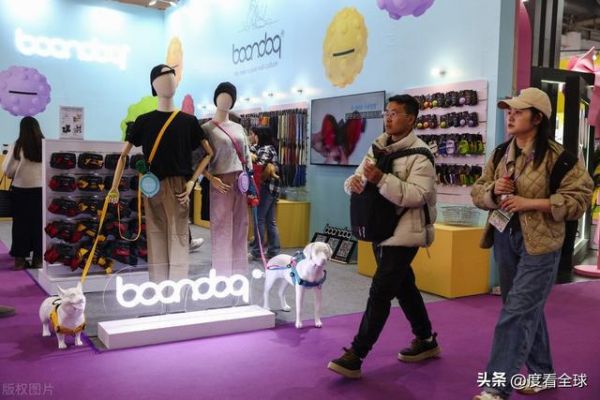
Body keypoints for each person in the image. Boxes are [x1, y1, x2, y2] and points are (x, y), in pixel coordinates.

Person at [471, 87, 592, 400]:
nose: (510, 116)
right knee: (524, 310)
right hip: (504, 237)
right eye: (509, 111)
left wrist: (532, 203)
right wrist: (494, 191)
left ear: (538, 118)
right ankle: (543, 374)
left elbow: (580, 200)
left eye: (518, 111)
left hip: (541, 243)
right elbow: (478, 192)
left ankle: (496, 388)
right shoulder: (500, 154)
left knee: (517, 312)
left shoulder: (561, 159)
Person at [328, 94, 440, 379]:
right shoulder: (377, 147)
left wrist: (381, 179)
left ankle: (356, 354)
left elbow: (418, 195)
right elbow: (357, 177)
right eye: (386, 112)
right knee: (404, 286)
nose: (388, 118)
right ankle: (426, 339)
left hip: (405, 232)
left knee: (380, 291)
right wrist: (353, 183)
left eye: (395, 113)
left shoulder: (421, 155)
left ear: (411, 119)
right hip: (379, 227)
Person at [108, 64, 213, 283]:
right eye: (164, 77)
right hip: (152, 185)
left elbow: (208, 153)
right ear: (154, 85)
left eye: (172, 76)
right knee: (155, 237)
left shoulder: (188, 121)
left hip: (179, 186)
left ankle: (176, 287)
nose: (170, 81)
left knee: (179, 238)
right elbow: (123, 156)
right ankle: (159, 286)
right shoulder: (143, 121)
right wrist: (114, 187)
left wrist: (192, 182)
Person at [201, 82, 253, 276]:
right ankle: (222, 274)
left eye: (230, 97)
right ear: (215, 98)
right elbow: (197, 160)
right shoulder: (206, 129)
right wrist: (210, 178)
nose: (226, 100)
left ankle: (239, 273)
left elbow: (246, 155)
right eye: (222, 96)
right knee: (222, 227)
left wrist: (249, 179)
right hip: (220, 180)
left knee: (241, 225)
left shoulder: (239, 127)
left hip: (240, 180)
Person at [2, 116, 44, 270]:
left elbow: (8, 170)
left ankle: (20, 260)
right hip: (41, 191)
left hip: (21, 191)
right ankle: (38, 259)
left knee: (20, 225)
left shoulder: (17, 145)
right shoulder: (45, 144)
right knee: (39, 225)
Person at [249, 126, 281, 260]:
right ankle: (273, 250)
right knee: (270, 221)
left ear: (259, 135)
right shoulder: (265, 148)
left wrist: (251, 157)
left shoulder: (266, 149)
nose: (251, 136)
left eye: (253, 134)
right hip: (271, 188)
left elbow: (258, 166)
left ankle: (257, 251)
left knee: (259, 220)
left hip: (265, 188)